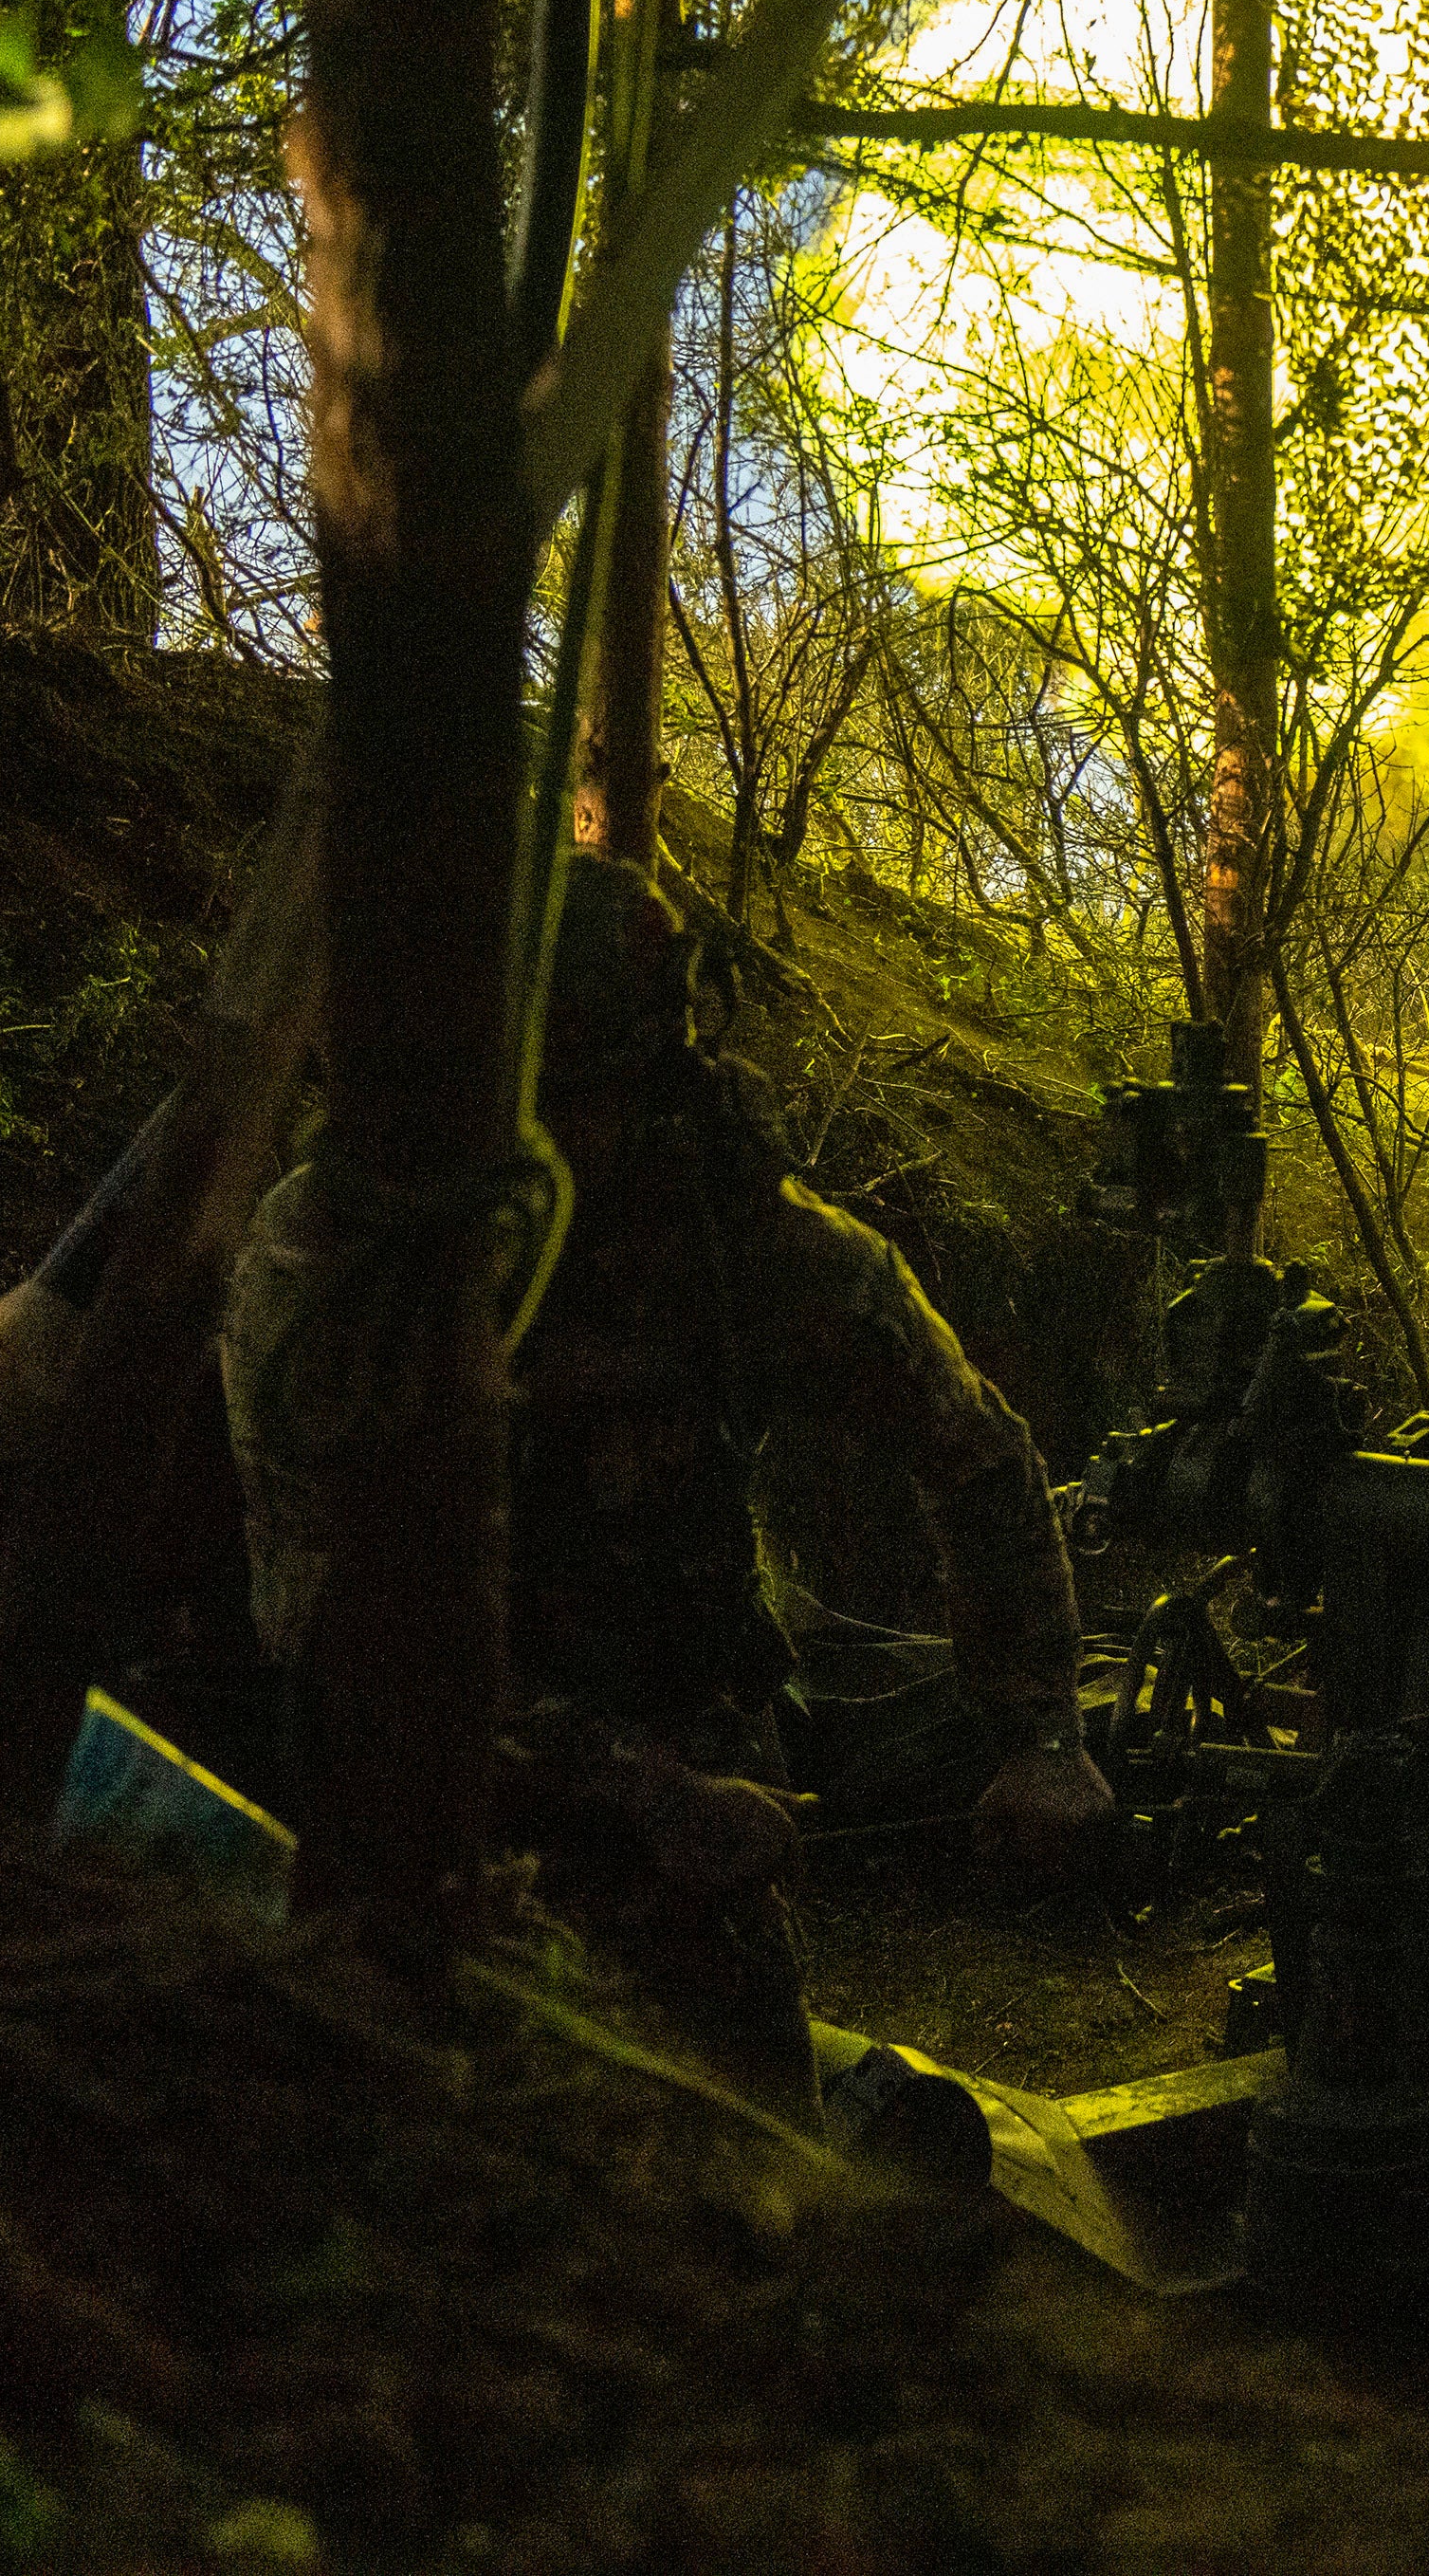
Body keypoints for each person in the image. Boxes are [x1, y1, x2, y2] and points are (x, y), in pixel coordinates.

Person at [224, 855, 1109, 2114]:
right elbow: (322, 1617)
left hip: (690, 1790)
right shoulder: (340, 1263)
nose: (555, 1139)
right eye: (531, 1097)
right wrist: (633, 1789)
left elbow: (972, 1445)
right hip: (396, 1798)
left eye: (595, 1094)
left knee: (748, 2161)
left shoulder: (726, 1236)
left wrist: (1040, 1732)